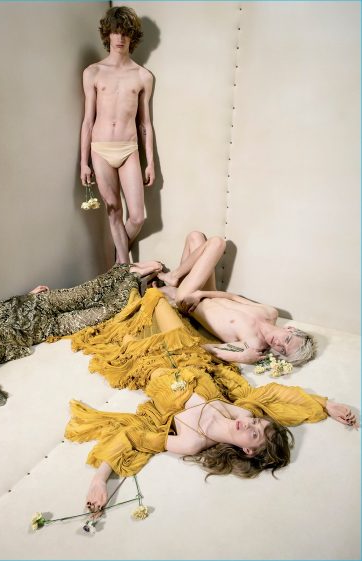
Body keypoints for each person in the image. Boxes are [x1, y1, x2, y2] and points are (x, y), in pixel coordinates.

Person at [61, 288, 358, 512]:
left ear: (247, 451)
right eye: (257, 422)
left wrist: (99, 480)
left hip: (147, 360)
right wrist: (325, 404)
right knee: (154, 297)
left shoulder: (191, 442)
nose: (250, 424)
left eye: (254, 434)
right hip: (187, 349)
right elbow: (274, 394)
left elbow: (134, 436)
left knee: (122, 325)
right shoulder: (239, 412)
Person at [0, 261, 162, 419]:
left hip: (36, 306)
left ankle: (131, 269)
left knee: (88, 291)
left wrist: (28, 296)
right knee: (105, 311)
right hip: (45, 329)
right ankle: (135, 278)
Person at [155, 231, 316, 366]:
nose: (279, 344)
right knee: (195, 236)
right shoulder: (270, 312)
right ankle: (176, 280)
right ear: (290, 329)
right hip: (205, 293)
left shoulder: (253, 344)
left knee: (217, 242)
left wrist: (241, 357)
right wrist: (201, 294)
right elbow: (233, 297)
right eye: (287, 339)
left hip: (189, 302)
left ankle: (175, 278)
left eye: (283, 351)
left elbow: (207, 348)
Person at [80, 6, 155, 264]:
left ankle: (117, 265)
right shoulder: (93, 72)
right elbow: (87, 121)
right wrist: (83, 162)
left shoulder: (143, 76)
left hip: (129, 149)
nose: (120, 38)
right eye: (115, 31)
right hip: (100, 148)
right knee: (113, 209)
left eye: (125, 32)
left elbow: (145, 124)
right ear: (107, 34)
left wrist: (151, 163)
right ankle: (123, 269)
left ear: (132, 36)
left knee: (137, 217)